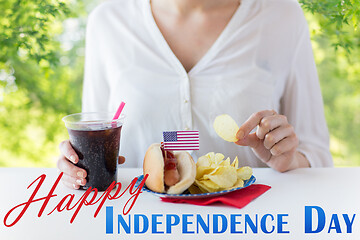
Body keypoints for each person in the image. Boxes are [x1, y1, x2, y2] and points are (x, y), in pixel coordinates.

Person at [57, 0, 333, 189]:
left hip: (250, 225)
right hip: (138, 225)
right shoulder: (109, 22)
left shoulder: (281, 16)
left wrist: (290, 161)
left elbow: (317, 153)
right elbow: (94, 135)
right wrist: (77, 167)